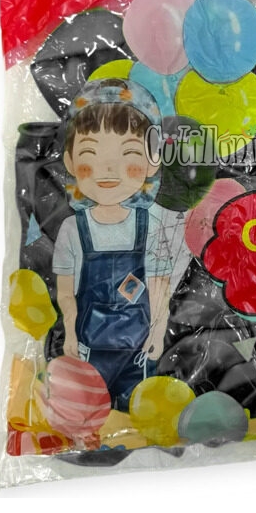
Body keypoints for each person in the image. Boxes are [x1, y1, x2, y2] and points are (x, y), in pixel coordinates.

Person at [52, 78, 171, 410]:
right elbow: (65, 292)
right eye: (91, 153)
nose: (108, 169)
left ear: (152, 161)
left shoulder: (152, 225)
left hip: (139, 350)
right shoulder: (71, 229)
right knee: (87, 413)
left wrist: (159, 330)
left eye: (127, 153)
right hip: (89, 349)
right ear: (70, 161)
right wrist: (70, 333)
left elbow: (159, 286)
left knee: (137, 415)